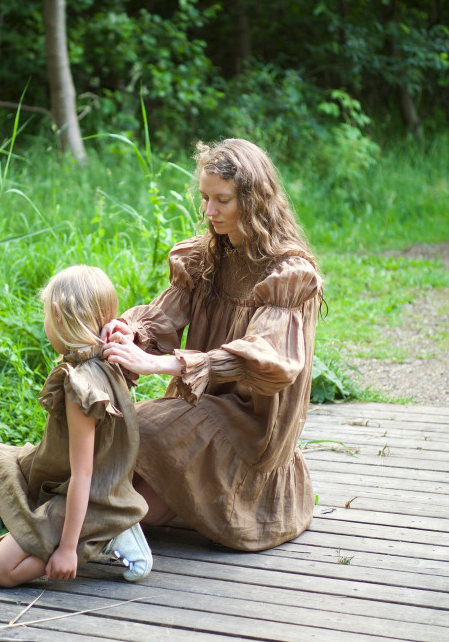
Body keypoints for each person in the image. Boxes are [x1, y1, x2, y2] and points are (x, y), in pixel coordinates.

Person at [102, 138, 322, 552]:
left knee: (147, 430)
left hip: (251, 429)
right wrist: (130, 335)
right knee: (121, 440)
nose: (209, 211)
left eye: (222, 200)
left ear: (255, 201)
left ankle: (72, 532)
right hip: (201, 405)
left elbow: (264, 360)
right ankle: (58, 524)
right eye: (204, 198)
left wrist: (159, 366)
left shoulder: (287, 273)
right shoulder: (204, 258)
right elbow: (162, 319)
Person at [0, 265, 152, 586]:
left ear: (56, 314)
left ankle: (104, 534)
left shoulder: (79, 385)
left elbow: (83, 474)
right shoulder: (108, 358)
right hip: (76, 479)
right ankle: (48, 528)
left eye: (45, 317)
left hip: (94, 496)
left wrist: (68, 550)